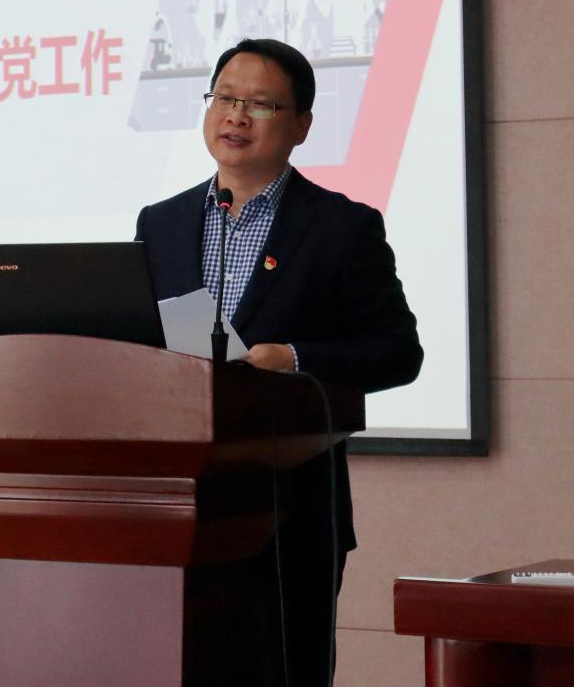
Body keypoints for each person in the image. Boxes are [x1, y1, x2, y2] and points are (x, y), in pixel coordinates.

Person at [135, 38, 422, 685]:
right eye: (225, 98)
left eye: (261, 104)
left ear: (301, 125)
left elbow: (398, 352)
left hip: (290, 511)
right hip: (174, 506)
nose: (236, 115)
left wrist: (293, 357)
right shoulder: (162, 222)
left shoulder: (341, 227)